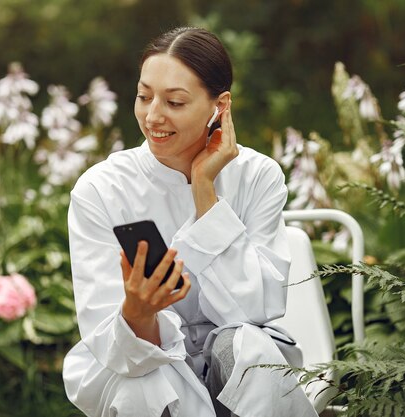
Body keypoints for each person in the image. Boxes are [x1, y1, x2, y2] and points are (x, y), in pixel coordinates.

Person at [62, 27, 319, 417]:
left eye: (175, 102)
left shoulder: (258, 176)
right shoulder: (101, 189)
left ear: (220, 106)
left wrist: (205, 190)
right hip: (140, 361)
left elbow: (254, 310)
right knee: (146, 384)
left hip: (239, 355)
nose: (152, 116)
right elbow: (111, 342)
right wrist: (139, 312)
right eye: (144, 96)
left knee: (249, 347)